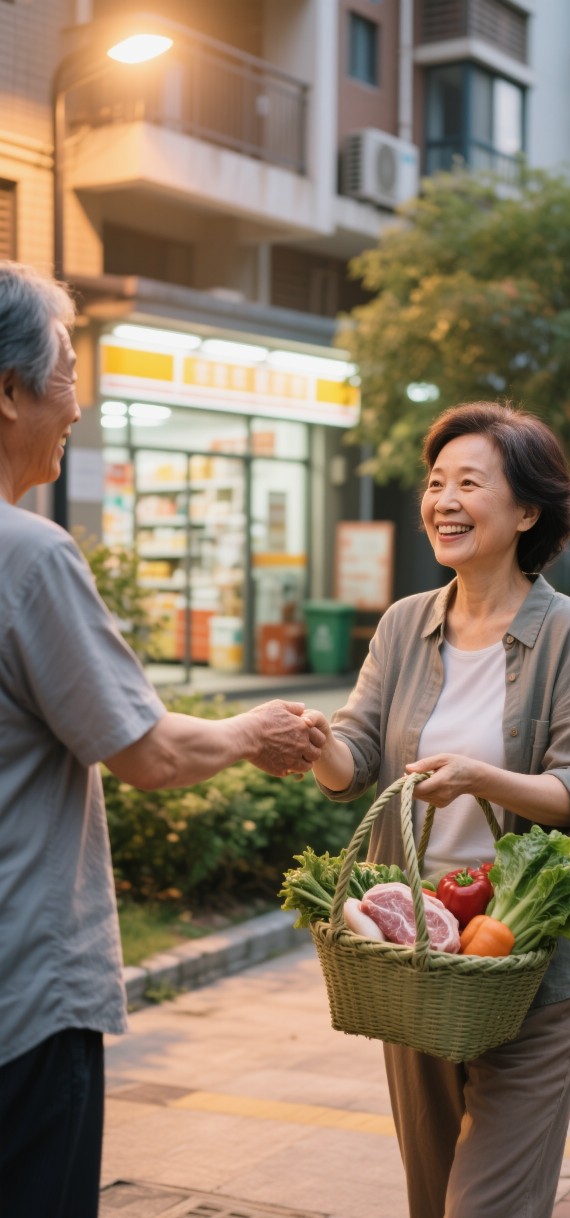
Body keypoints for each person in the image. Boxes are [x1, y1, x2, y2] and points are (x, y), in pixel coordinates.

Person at [0, 260, 324, 1218]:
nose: (79, 404)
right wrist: (251, 733)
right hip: (22, 1002)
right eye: (67, 374)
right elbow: (149, 754)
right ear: (9, 391)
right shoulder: (29, 556)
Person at [306, 400, 570, 1218]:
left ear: (526, 512)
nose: (443, 500)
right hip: (416, 953)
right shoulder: (403, 624)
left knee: (486, 1205)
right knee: (430, 1194)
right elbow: (354, 758)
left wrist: (483, 779)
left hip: (526, 959)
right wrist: (312, 743)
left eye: (469, 483)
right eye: (435, 482)